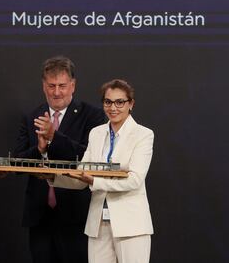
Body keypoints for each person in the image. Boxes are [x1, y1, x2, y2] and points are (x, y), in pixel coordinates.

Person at [14, 56, 105, 263]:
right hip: (39, 217)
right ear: (43, 86)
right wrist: (39, 149)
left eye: (62, 86)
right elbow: (18, 164)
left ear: (73, 85)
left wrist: (55, 137)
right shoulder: (32, 117)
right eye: (51, 86)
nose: (56, 92)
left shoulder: (93, 117)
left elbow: (90, 158)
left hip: (76, 216)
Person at [52, 79, 154, 263]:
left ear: (131, 104)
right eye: (108, 102)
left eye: (119, 102)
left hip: (131, 225)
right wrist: (53, 177)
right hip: (98, 224)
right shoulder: (96, 133)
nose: (113, 107)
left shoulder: (143, 134)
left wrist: (95, 181)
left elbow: (134, 180)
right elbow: (82, 175)